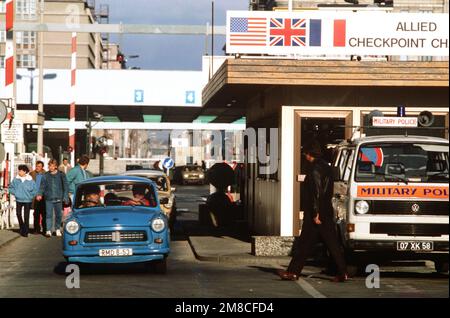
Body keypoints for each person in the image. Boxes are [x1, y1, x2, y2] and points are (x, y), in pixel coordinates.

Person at [278, 140, 348, 283]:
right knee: (332, 243)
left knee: (304, 244)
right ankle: (343, 272)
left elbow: (316, 192)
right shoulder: (327, 167)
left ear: (310, 154)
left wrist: (315, 213)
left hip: (316, 212)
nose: (305, 156)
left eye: (306, 154)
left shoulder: (314, 169)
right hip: (327, 210)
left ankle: (293, 272)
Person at [36, 159, 70, 237]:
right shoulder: (46, 175)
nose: (50, 167)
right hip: (49, 198)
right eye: (49, 165)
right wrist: (39, 194)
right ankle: (48, 230)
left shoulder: (61, 175)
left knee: (58, 215)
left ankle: (57, 229)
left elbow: (65, 186)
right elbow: (42, 186)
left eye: (52, 166)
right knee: (48, 215)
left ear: (56, 166)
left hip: (58, 197)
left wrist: (65, 196)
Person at [9, 165, 37, 237]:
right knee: (18, 214)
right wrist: (16, 193)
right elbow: (11, 188)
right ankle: (22, 227)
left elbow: (35, 190)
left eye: (21, 170)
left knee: (26, 216)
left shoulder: (30, 180)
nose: (19, 172)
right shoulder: (16, 179)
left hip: (27, 200)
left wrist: (30, 196)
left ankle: (26, 231)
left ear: (25, 171)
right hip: (19, 199)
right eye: (19, 170)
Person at [30, 161, 46, 234]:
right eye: (37, 166)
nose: (37, 167)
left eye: (39, 166)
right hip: (35, 197)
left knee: (44, 214)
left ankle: (45, 228)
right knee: (36, 214)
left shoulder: (46, 174)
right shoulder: (32, 174)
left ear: (42, 167)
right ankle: (36, 229)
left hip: (43, 197)